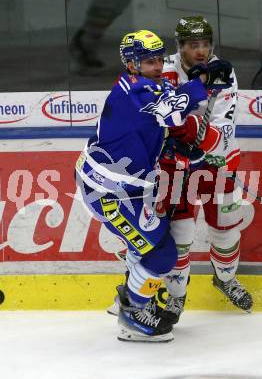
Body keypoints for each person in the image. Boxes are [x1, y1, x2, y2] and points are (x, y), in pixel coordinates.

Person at [75, 29, 229, 342]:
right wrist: (202, 83)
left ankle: (129, 298)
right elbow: (169, 107)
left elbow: (156, 124)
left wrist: (172, 146)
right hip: (110, 193)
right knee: (161, 255)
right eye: (148, 61)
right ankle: (132, 312)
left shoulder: (149, 86)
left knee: (151, 245)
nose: (157, 65)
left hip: (126, 188)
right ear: (132, 64)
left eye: (160, 59)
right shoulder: (138, 90)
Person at [159, 16, 253, 325]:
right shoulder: (165, 71)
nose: (200, 51)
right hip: (177, 169)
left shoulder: (224, 71)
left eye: (204, 45)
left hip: (217, 163)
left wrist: (206, 146)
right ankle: (176, 294)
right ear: (181, 47)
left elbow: (224, 128)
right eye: (192, 45)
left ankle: (225, 279)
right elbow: (164, 118)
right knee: (180, 234)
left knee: (226, 227)